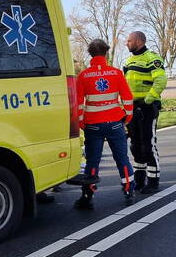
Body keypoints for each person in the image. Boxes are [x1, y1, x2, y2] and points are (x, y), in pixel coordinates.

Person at [69, 39, 135, 210]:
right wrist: (127, 118)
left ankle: (87, 196)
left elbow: (78, 103)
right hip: (114, 123)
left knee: (92, 161)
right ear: (106, 53)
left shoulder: (83, 75)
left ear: (90, 54)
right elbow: (127, 98)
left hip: (93, 125)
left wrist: (82, 122)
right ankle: (129, 191)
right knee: (122, 159)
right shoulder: (116, 73)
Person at [123, 31, 167, 194]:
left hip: (148, 108)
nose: (126, 43)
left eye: (129, 40)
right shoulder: (128, 61)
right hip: (133, 108)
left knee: (148, 145)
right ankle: (139, 180)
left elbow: (161, 80)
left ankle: (153, 181)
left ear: (139, 41)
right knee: (136, 146)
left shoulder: (152, 58)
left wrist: (147, 101)